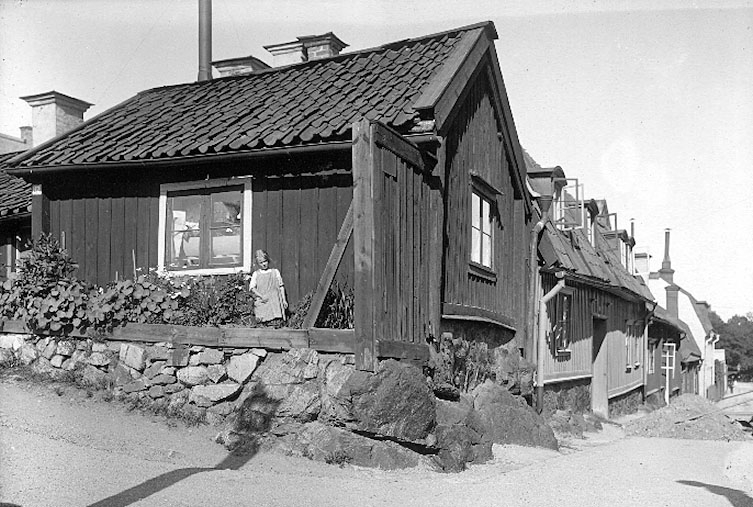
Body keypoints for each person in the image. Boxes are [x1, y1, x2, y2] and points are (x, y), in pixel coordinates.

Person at [248, 249, 288, 324]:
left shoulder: (275, 272)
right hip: (263, 300)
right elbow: (252, 288)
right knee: (262, 317)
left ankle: (276, 322)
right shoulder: (256, 274)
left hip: (274, 302)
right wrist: (261, 296)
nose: (264, 264)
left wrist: (284, 300)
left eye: (265, 261)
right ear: (258, 263)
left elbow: (281, 286)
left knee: (276, 320)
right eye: (261, 263)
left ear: (268, 260)